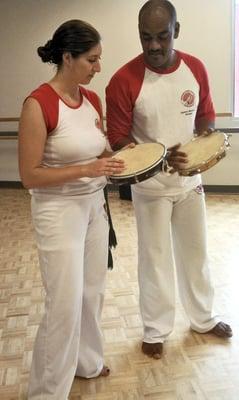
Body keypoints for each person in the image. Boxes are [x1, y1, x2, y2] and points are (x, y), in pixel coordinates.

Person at [106, 0, 233, 360]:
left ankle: (204, 319)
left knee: (196, 253)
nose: (154, 46)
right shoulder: (122, 80)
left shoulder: (195, 68)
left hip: (190, 184)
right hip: (150, 188)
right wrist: (154, 157)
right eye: (146, 37)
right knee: (155, 257)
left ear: (176, 30)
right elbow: (117, 138)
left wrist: (203, 143)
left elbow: (205, 118)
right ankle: (155, 329)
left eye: (162, 36)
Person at [18, 19, 126, 400]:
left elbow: (99, 153)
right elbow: (29, 176)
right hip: (58, 212)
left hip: (94, 206)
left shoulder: (91, 100)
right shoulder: (39, 103)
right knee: (63, 303)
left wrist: (124, 160)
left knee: (91, 292)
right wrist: (88, 169)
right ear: (68, 57)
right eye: (92, 60)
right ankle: (46, 393)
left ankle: (87, 362)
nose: (98, 68)